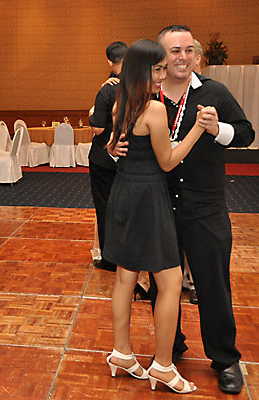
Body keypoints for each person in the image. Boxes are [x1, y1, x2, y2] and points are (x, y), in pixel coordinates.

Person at [114, 26, 255, 395]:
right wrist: (114, 149)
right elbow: (120, 143)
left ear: (197, 55)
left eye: (189, 50)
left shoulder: (214, 92)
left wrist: (217, 128)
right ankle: (169, 350)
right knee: (164, 285)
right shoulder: (147, 95)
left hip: (204, 205)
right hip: (159, 207)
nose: (182, 57)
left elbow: (246, 133)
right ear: (160, 58)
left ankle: (224, 358)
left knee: (213, 284)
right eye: (174, 51)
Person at [105, 38, 208, 394]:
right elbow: (167, 161)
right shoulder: (154, 109)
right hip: (148, 197)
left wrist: (112, 147)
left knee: (125, 276)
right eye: (159, 69)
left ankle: (122, 353)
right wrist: (197, 129)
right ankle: (163, 366)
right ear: (143, 70)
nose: (163, 75)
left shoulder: (120, 103)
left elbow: (116, 147)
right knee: (171, 281)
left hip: (124, 193)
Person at [88, 41, 127, 273]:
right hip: (129, 156)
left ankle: (110, 258)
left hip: (104, 157)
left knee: (105, 207)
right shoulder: (140, 86)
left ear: (110, 62)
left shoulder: (108, 89)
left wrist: (92, 112)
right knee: (126, 207)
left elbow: (98, 128)